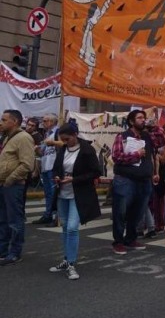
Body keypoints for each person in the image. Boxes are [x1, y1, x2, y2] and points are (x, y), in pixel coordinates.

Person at [48, 122, 101, 280]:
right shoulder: (63, 149)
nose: (65, 142)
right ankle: (66, 259)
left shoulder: (87, 150)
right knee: (65, 227)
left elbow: (95, 172)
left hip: (80, 193)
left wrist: (74, 179)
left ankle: (71, 263)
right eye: (63, 140)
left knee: (72, 227)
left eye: (67, 139)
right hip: (62, 193)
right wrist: (57, 176)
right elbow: (57, 167)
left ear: (75, 135)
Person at [110, 110, 165, 255]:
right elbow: (116, 156)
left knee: (138, 212)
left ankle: (131, 238)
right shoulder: (122, 136)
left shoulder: (148, 136)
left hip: (143, 180)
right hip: (125, 180)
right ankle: (118, 241)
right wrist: (136, 155)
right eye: (139, 118)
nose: (143, 120)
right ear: (131, 121)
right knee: (121, 212)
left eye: (144, 118)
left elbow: (161, 141)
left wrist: (155, 126)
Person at [0, 109, 35, 265]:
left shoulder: (23, 138)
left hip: (13, 185)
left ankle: (15, 252)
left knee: (14, 220)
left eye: (4, 119)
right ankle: (3, 250)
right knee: (3, 219)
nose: (1, 122)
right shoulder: (8, 138)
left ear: (14, 121)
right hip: (4, 184)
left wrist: (10, 179)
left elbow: (27, 164)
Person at [33, 113, 62, 225]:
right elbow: (42, 153)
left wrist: (53, 142)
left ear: (51, 121)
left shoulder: (57, 132)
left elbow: (63, 144)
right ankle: (48, 215)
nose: (43, 123)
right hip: (46, 166)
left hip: (53, 167)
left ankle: (56, 217)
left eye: (45, 121)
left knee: (54, 193)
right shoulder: (46, 134)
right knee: (48, 193)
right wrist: (37, 150)